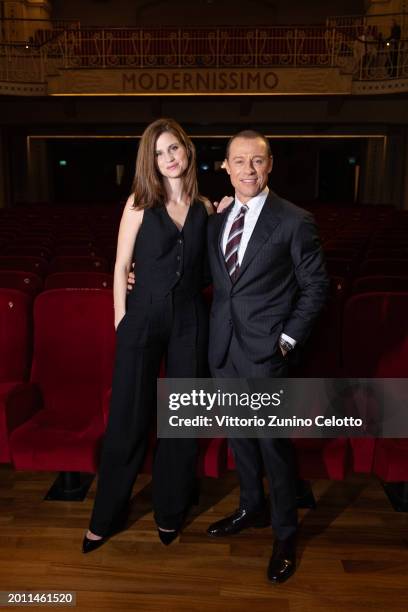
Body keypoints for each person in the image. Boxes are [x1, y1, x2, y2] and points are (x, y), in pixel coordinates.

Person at [82, 118, 214, 553]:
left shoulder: (205, 208)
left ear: (187, 151)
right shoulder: (139, 202)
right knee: (128, 418)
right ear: (150, 162)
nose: (168, 158)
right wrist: (122, 320)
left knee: (180, 421)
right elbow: (120, 268)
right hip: (142, 319)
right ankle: (105, 517)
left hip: (191, 320)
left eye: (173, 148)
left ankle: (169, 512)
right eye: (159, 153)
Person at [205, 130, 329, 584]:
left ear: (270, 164)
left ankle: (284, 533)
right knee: (239, 440)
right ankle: (250, 509)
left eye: (256, 162)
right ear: (227, 166)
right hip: (223, 349)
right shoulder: (217, 221)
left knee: (273, 447)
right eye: (239, 162)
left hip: (265, 353)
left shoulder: (295, 221)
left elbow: (316, 286)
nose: (248, 170)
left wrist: (288, 340)